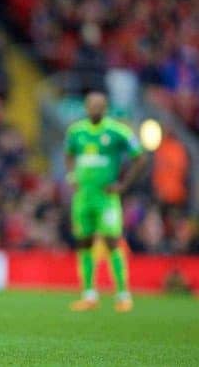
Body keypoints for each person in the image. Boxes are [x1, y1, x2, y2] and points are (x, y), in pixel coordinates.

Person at [65, 91, 146, 312]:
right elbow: (69, 154)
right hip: (83, 197)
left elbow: (139, 157)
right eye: (91, 105)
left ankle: (123, 294)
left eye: (99, 106)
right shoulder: (76, 131)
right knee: (84, 242)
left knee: (111, 241)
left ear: (106, 108)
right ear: (86, 107)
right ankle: (89, 294)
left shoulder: (118, 131)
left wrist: (123, 185)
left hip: (107, 198)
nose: (95, 109)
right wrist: (72, 175)